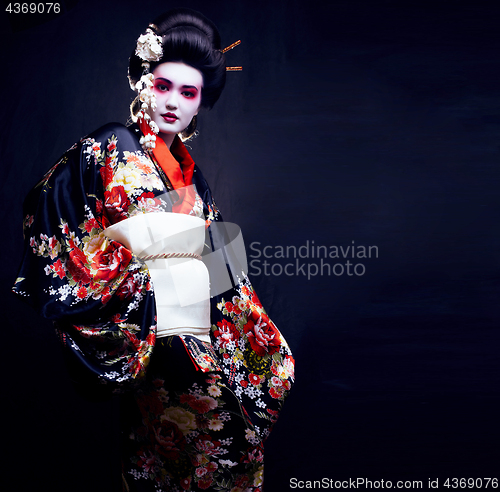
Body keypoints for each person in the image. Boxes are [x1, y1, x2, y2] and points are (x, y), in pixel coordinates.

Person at [12, 8, 294, 492]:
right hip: (155, 343)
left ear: (201, 103)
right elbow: (48, 214)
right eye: (163, 86)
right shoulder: (107, 147)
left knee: (235, 450)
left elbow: (221, 266)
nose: (173, 103)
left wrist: (256, 337)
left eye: (189, 93)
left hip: (205, 346)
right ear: (141, 80)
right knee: (164, 460)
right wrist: (139, 284)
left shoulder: (188, 172)